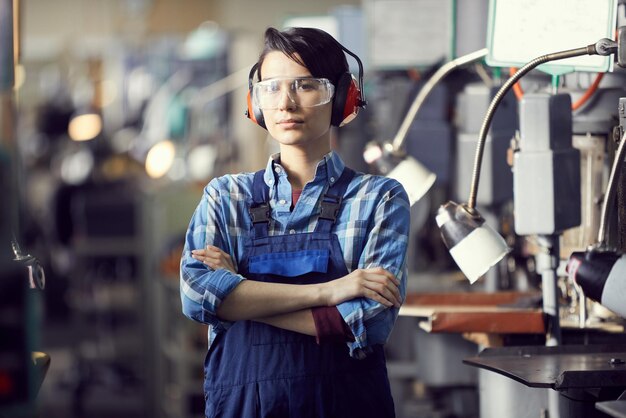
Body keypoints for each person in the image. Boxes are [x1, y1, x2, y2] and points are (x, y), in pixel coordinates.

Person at [180, 26, 410, 418]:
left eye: (306, 85)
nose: (286, 103)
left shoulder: (379, 198)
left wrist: (239, 296)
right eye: (271, 87)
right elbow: (198, 296)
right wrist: (331, 291)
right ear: (256, 103)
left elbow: (368, 320)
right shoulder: (225, 196)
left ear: (342, 97)